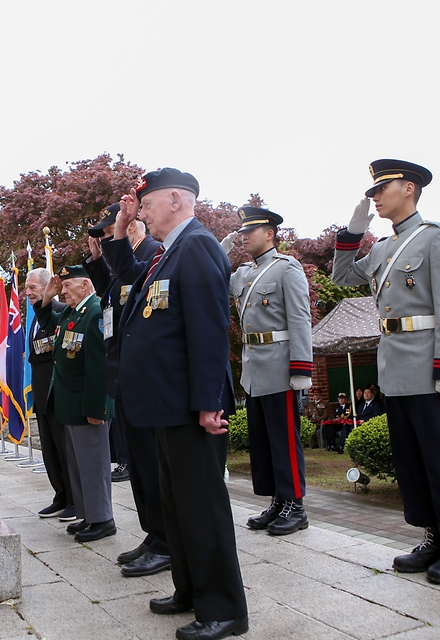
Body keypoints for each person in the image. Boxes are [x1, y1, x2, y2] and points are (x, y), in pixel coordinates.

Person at [107, 168, 248, 640]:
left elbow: (210, 330)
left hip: (192, 407)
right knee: (178, 506)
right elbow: (126, 280)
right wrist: (121, 228)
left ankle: (224, 609)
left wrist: (209, 401)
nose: (141, 210)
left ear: (175, 200)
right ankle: (190, 591)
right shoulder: (166, 255)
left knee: (202, 508)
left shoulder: (199, 246)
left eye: (146, 203)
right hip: (167, 405)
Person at [332, 159, 440, 584]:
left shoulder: (437, 238)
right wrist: (354, 233)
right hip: (394, 365)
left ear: (410, 189)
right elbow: (342, 277)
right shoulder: (380, 247)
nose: (374, 197)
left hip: (430, 365)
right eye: (372, 192)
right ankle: (434, 536)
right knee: (411, 459)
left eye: (382, 189)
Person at [87, 202, 170, 577]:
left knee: (152, 465)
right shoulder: (124, 261)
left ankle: (166, 539)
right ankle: (153, 534)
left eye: (107, 234)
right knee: (138, 465)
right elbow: (110, 295)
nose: (105, 242)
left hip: (143, 375)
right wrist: (96, 261)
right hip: (124, 372)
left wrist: (112, 255)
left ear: (130, 226)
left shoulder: (151, 255)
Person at [220, 206, 313, 536]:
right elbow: (214, 276)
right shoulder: (244, 274)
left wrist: (302, 367)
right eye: (242, 232)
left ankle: (295, 505)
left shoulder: (287, 269)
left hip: (280, 364)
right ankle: (278, 500)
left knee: (284, 439)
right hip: (254, 366)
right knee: (263, 440)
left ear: (270, 233)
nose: (244, 236)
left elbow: (301, 319)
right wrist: (224, 247)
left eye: (250, 231)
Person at [33, 265, 116, 543]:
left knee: (94, 465)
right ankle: (87, 515)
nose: (63, 291)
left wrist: (97, 408)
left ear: (85, 285)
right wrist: (49, 294)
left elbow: (99, 366)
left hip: (86, 404)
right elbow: (46, 320)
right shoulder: (72, 311)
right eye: (62, 286)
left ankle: (103, 519)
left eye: (68, 286)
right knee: (78, 466)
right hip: (68, 403)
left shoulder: (95, 312)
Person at [24, 267, 74, 522]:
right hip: (41, 390)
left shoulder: (57, 311)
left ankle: (74, 499)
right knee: (50, 450)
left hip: (57, 390)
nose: (28, 291)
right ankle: (60, 495)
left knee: (65, 448)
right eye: (26, 287)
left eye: (33, 287)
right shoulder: (35, 314)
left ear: (47, 287)